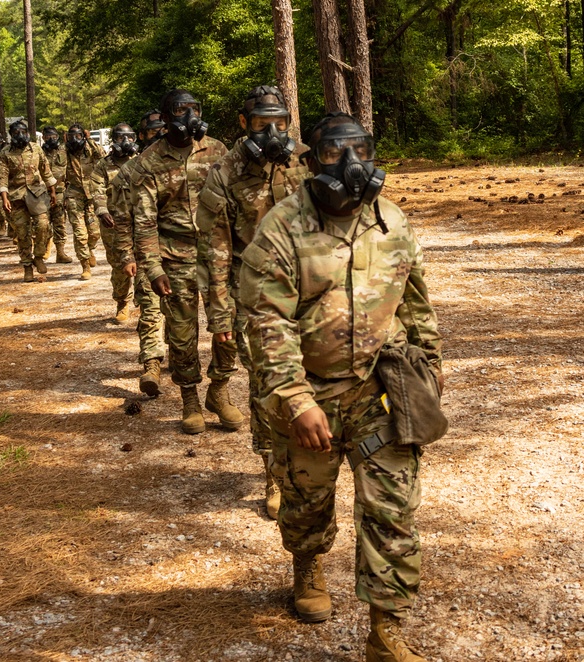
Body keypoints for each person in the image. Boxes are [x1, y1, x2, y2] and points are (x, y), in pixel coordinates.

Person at [239, 113, 442, 661]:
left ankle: (386, 630)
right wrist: (296, 399)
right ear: (311, 162)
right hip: (308, 395)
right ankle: (307, 564)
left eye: (360, 152)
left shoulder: (391, 220)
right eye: (333, 154)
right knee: (308, 505)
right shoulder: (282, 226)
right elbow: (264, 321)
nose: (351, 166)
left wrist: (430, 367)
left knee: (392, 506)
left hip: (380, 392)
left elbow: (416, 300)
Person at [195, 85, 310, 519]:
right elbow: (215, 251)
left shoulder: (305, 159)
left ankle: (309, 459)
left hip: (310, 289)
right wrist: (221, 313)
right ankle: (274, 474)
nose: (274, 132)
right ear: (244, 124)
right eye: (263, 124)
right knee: (268, 384)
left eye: (280, 123)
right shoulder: (224, 172)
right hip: (255, 294)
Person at [132, 89, 241, 434]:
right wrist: (153, 267)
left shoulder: (218, 150)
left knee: (231, 330)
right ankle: (190, 400)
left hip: (218, 256)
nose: (189, 116)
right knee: (181, 336)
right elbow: (144, 220)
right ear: (165, 118)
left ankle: (219, 391)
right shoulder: (149, 161)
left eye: (195, 109)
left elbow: (235, 204)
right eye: (181, 110)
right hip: (174, 260)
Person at [109, 110, 168, 395]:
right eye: (153, 131)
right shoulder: (129, 172)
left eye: (162, 129)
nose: (159, 135)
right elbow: (121, 218)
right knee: (150, 309)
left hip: (185, 252)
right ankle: (151, 364)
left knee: (183, 315)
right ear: (143, 136)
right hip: (147, 251)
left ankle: (179, 361)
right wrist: (126, 255)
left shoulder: (187, 164)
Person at [0, 120, 58, 283]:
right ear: (11, 135)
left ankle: (38, 256)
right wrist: (4, 198)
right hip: (16, 197)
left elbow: (46, 170)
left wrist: (52, 191)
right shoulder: (5, 153)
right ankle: (27, 267)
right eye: (16, 133)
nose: (20, 136)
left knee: (43, 225)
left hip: (36, 194)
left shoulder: (36, 149)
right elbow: (1, 177)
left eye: (23, 132)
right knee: (22, 232)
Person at [92, 123, 139, 323]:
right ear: (114, 140)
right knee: (120, 265)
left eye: (130, 137)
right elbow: (96, 189)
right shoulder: (103, 165)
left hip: (140, 219)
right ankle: (122, 302)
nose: (126, 142)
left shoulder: (141, 161)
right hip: (113, 222)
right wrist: (102, 211)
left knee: (145, 261)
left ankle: (147, 304)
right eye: (121, 138)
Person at [64, 123, 104, 280]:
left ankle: (90, 249)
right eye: (72, 136)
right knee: (80, 233)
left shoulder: (90, 150)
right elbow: (58, 160)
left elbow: (102, 155)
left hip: (92, 194)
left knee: (94, 232)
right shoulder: (65, 151)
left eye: (78, 136)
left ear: (84, 136)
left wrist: (90, 141)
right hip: (74, 194)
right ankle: (85, 265)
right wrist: (64, 142)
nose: (75, 139)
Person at [42, 126, 73, 264]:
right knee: (43, 223)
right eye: (48, 137)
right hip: (42, 193)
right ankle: (44, 249)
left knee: (60, 223)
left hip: (60, 192)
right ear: (43, 138)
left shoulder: (64, 151)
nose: (51, 139)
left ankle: (60, 252)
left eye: (54, 136)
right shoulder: (38, 153)